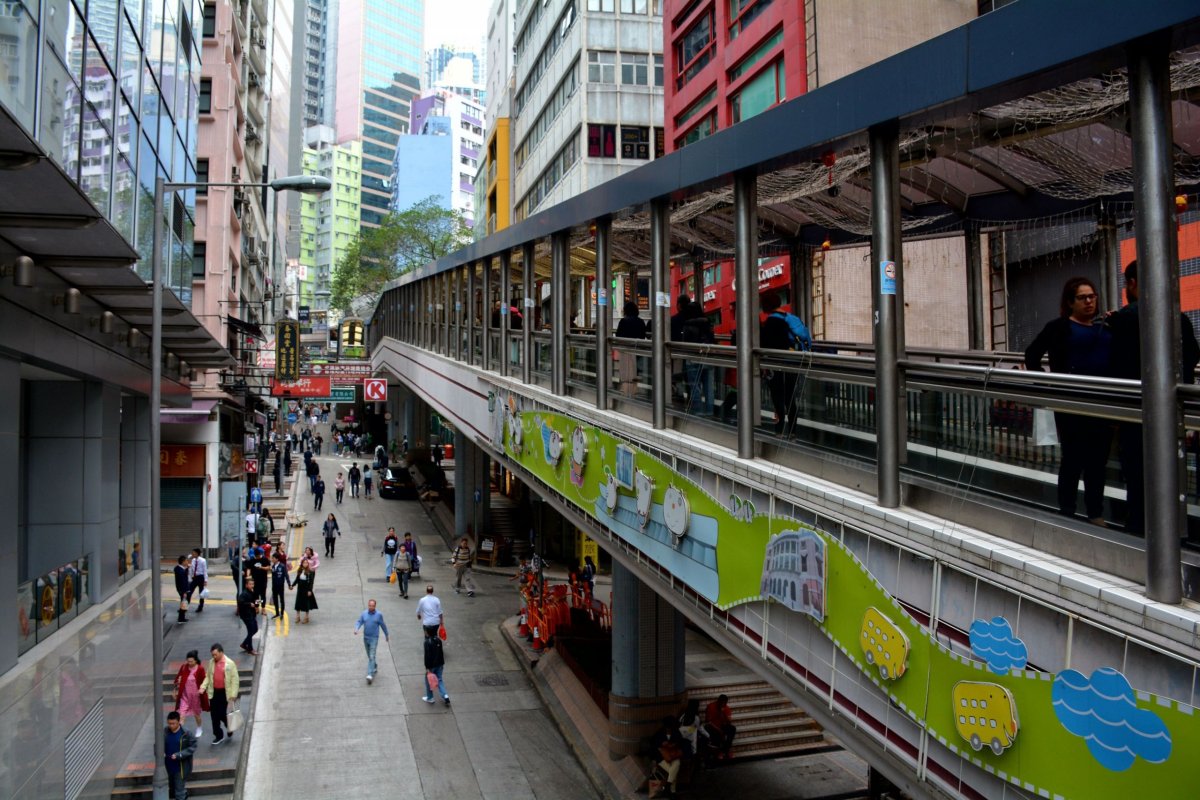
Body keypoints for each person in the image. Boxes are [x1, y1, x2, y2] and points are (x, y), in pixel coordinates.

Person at [1106, 260, 1200, 534]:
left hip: (1135, 409)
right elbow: (1193, 354)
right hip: (1173, 410)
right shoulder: (1177, 316)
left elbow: (1114, 364)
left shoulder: (1124, 319)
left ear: (1132, 283)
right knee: (1170, 469)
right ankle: (1175, 530)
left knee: (1137, 472)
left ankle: (1139, 527)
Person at [1024, 277, 1114, 525]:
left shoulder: (1106, 327)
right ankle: (1068, 510)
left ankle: (1095, 513)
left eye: (1092, 296)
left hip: (1103, 403)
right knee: (1073, 457)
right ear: (1070, 302)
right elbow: (1032, 354)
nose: (1089, 301)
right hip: (1071, 402)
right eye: (1082, 297)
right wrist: (1047, 385)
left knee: (1097, 461)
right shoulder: (1059, 327)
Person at [760, 292, 801, 436]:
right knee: (790, 397)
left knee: (778, 397)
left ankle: (779, 431)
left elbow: (764, 345)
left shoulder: (771, 322)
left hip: (775, 363)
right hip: (792, 362)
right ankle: (793, 431)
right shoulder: (790, 318)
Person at [199, 644, 240, 746]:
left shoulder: (230, 663)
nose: (214, 657)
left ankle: (229, 726)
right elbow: (208, 676)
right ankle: (218, 735)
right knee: (214, 715)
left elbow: (235, 680)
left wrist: (233, 694)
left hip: (225, 693)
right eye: (212, 655)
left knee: (221, 713)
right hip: (214, 692)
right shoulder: (211, 662)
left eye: (215, 654)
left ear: (221, 652)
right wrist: (203, 687)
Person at [681, 301, 715, 416]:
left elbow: (685, 342)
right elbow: (712, 339)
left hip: (692, 358)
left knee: (695, 386)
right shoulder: (707, 322)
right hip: (707, 357)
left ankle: (698, 410)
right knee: (709, 387)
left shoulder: (687, 324)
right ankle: (710, 410)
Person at [354, 599, 390, 684]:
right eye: (369, 605)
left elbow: (383, 625)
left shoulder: (379, 615)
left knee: (371, 655)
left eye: (372, 606)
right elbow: (359, 622)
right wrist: (356, 629)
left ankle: (370, 674)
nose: (371, 607)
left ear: (375, 606)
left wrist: (386, 634)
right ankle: (374, 665)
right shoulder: (364, 613)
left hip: (374, 638)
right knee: (370, 655)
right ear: (368, 605)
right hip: (366, 638)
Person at [173, 650, 208, 738]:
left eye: (191, 661)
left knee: (196, 715)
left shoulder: (200, 669)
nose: (189, 663)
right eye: (188, 661)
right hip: (185, 696)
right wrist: (178, 682)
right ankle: (180, 733)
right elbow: (178, 678)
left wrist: (202, 689)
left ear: (195, 660)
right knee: (181, 715)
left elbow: (205, 680)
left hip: (195, 696)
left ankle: (199, 728)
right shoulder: (184, 667)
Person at [164, 711, 198, 799]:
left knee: (179, 789)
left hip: (181, 766)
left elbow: (193, 746)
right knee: (172, 787)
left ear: (179, 722)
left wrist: (180, 755)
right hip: (168, 765)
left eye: (173, 723)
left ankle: (182, 796)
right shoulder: (165, 732)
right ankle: (183, 795)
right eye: (169, 723)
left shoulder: (186, 733)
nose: (171, 726)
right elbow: (158, 745)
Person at [615, 300, 647, 396]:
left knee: (626, 374)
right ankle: (634, 391)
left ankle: (626, 392)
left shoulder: (623, 321)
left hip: (625, 351)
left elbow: (618, 336)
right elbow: (643, 336)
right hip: (637, 351)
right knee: (635, 372)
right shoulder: (641, 322)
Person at [651, 715, 684, 799]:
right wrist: (662, 745)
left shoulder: (676, 732)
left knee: (676, 764)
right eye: (667, 728)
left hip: (673, 755)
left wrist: (673, 744)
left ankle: (667, 788)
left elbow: (680, 743)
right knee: (673, 771)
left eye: (670, 728)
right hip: (661, 758)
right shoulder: (659, 734)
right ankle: (672, 791)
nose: (669, 729)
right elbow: (654, 748)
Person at [423, 626, 450, 706]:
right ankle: (445, 695)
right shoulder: (438, 640)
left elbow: (427, 656)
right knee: (439, 680)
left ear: (427, 632)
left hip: (432, 666)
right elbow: (441, 652)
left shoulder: (427, 642)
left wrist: (427, 667)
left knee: (428, 680)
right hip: (440, 664)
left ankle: (430, 697)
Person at [704, 694, 736, 760]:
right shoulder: (710, 706)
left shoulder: (726, 708)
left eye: (725, 703)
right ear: (718, 701)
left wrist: (724, 713)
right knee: (716, 733)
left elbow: (729, 722)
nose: (723, 705)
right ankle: (720, 752)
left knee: (732, 729)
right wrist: (718, 729)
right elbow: (707, 721)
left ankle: (725, 750)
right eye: (721, 703)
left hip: (722, 725)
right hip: (712, 726)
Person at [237, 577, 261, 656]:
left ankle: (244, 644)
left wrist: (259, 603)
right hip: (246, 615)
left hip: (252, 614)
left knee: (255, 629)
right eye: (250, 584)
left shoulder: (253, 592)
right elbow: (240, 603)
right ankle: (250, 649)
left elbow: (256, 602)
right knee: (250, 631)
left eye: (252, 584)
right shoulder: (244, 594)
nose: (252, 586)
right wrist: (249, 604)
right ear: (246, 585)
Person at [291, 558, 317, 623]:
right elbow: (297, 579)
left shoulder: (310, 572)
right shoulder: (300, 570)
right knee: (298, 602)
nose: (305, 564)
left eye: (306, 563)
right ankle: (298, 617)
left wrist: (309, 590)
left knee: (306, 603)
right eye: (304, 563)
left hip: (306, 589)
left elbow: (311, 582)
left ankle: (306, 617)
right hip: (300, 588)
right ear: (302, 564)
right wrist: (292, 585)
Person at [269, 551, 289, 619]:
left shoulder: (282, 566)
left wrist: (289, 584)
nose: (272, 559)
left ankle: (282, 613)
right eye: (272, 558)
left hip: (280, 586)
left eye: (273, 558)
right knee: (275, 600)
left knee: (281, 600)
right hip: (274, 586)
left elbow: (286, 575)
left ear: (277, 559)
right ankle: (277, 613)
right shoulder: (273, 566)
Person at [187, 547, 207, 612]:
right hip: (195, 578)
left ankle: (200, 607)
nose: (192, 554)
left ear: (197, 554)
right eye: (192, 553)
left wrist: (205, 580)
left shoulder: (203, 560)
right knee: (189, 592)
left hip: (201, 577)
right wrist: (190, 577)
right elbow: (191, 569)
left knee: (201, 593)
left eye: (194, 553)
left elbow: (205, 571)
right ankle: (185, 606)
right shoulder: (193, 560)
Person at [394, 535, 414, 599]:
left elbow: (409, 561)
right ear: (400, 548)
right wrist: (393, 567)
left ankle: (405, 593)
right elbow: (395, 560)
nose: (403, 548)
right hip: (398, 569)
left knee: (405, 581)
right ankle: (401, 591)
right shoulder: (397, 553)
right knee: (400, 581)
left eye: (404, 547)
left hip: (406, 569)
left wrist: (410, 568)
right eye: (402, 547)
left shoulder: (407, 554)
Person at [174, 555, 190, 624]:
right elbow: (182, 582)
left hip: (183, 589)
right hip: (182, 589)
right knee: (183, 602)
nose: (187, 562)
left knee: (184, 602)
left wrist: (187, 568)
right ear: (183, 562)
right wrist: (184, 592)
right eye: (186, 561)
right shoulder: (179, 570)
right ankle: (180, 619)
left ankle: (182, 617)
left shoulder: (180, 568)